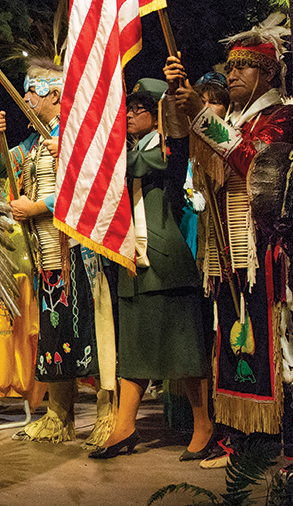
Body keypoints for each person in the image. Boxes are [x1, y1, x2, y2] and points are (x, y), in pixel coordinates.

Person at [164, 14, 293, 466]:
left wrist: (200, 115)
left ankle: (276, 437)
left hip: (265, 253)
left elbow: (253, 159)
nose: (232, 74)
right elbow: (188, 142)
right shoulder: (236, 117)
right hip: (227, 251)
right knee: (232, 339)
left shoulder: (284, 116)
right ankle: (239, 432)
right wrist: (180, 101)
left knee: (270, 343)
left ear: (270, 72)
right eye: (230, 65)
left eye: (244, 66)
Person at [0, 58, 116, 446]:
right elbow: (0, 165)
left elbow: (90, 185)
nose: (25, 99)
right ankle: (60, 415)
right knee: (56, 332)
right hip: (47, 254)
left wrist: (39, 208)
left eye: (31, 92)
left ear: (53, 94)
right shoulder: (33, 142)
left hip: (81, 251)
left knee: (92, 330)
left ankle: (108, 415)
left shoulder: (76, 137)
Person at [90, 79, 215, 461]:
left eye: (138, 108)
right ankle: (125, 426)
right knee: (135, 349)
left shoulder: (168, 149)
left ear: (158, 112)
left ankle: (204, 425)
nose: (129, 114)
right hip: (133, 261)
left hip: (165, 262)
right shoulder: (130, 150)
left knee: (184, 353)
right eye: (127, 108)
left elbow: (131, 166)